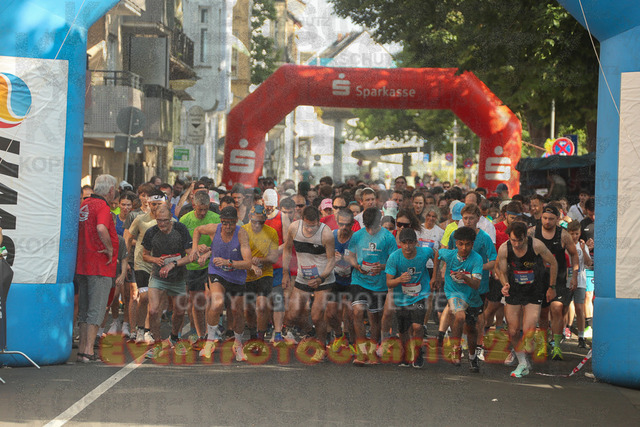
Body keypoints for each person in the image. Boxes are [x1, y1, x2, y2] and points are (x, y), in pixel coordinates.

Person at [192, 206, 255, 361]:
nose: (227, 227)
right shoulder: (214, 229)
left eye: (231, 223)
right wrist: (194, 248)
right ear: (221, 221)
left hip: (236, 275)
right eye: (225, 223)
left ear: (236, 221)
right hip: (217, 272)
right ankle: (209, 342)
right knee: (217, 303)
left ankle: (238, 344)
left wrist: (228, 262)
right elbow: (197, 230)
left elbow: (248, 263)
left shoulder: (241, 234)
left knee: (238, 311)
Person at [497, 221, 558, 377]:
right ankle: (522, 361)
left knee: (529, 330)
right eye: (513, 240)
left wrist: (551, 287)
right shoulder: (504, 248)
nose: (517, 244)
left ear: (526, 236)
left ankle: (522, 357)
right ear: (509, 238)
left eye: (520, 240)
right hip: (514, 290)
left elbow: (553, 263)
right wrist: (504, 284)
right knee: (513, 330)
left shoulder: (536, 245)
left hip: (533, 290)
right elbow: (501, 270)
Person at [282, 206, 336, 362]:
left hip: (323, 278)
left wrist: (321, 278)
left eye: (314, 226)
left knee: (316, 315)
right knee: (292, 315)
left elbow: (331, 260)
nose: (310, 229)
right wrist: (285, 273)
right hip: (303, 277)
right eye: (307, 225)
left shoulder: (326, 233)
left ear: (319, 221)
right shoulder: (294, 228)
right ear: (301, 220)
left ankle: (321, 347)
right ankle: (311, 333)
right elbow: (287, 249)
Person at [75, 174, 119, 362]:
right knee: (97, 309)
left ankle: (82, 351)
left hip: (83, 263)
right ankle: (88, 352)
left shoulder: (84, 204)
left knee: (84, 310)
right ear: (111, 190)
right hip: (99, 265)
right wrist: (109, 248)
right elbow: (101, 228)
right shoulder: (102, 206)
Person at [345, 207, 397, 364]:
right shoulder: (357, 235)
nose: (370, 230)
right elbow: (350, 255)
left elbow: (394, 261)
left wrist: (382, 267)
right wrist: (356, 265)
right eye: (367, 227)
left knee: (375, 318)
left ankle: (372, 351)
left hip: (379, 283)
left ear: (379, 222)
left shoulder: (388, 237)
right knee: (357, 312)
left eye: (373, 227)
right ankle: (361, 352)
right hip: (359, 280)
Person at [142, 205, 194, 359]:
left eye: (165, 220)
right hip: (158, 276)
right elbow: (144, 255)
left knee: (179, 312)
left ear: (171, 217)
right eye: (159, 220)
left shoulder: (181, 229)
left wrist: (173, 264)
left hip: (179, 277)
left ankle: (174, 338)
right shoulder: (151, 232)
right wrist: (155, 260)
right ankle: (157, 343)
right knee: (153, 310)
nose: (162, 224)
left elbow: (190, 256)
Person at [531, 205, 579, 361]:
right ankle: (543, 344)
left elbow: (574, 254)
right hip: (539, 278)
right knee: (543, 313)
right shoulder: (533, 232)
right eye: (545, 218)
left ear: (558, 219)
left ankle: (557, 346)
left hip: (558, 278)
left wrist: (574, 275)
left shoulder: (563, 235)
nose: (547, 221)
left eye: (551, 219)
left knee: (556, 309)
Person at [385, 227, 437, 368]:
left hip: (420, 294)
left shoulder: (424, 252)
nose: (407, 246)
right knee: (403, 329)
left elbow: (436, 254)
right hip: (401, 297)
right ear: (400, 243)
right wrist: (399, 279)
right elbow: (389, 282)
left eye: (410, 242)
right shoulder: (394, 257)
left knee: (417, 326)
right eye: (404, 243)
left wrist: (435, 276)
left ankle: (418, 352)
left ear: (416, 242)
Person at [437, 226, 484, 372]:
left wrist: (464, 277)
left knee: (471, 329)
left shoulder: (477, 259)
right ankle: (456, 348)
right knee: (459, 316)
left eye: (467, 244)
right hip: (454, 293)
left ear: (472, 244)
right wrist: (435, 276)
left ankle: (472, 357)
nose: (464, 248)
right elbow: (438, 253)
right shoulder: (449, 254)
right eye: (461, 244)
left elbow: (476, 284)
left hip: (472, 297)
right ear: (456, 243)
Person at [124, 189, 167, 344]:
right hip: (141, 263)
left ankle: (148, 331)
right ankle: (140, 330)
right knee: (144, 297)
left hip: (159, 264)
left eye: (159, 204)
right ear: (148, 203)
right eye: (153, 204)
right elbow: (128, 238)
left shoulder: (170, 221)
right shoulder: (140, 219)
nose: (156, 207)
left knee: (155, 301)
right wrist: (125, 261)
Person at [179, 191, 221, 350]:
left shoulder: (216, 219)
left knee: (211, 299)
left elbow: (222, 242)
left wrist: (208, 249)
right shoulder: (185, 220)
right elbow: (182, 245)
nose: (203, 213)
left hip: (212, 264)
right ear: (193, 205)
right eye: (200, 209)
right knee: (197, 302)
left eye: (205, 209)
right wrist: (195, 250)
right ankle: (201, 335)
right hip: (193, 266)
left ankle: (211, 334)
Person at [242, 205, 279, 341]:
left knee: (262, 306)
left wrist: (260, 260)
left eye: (261, 222)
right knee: (249, 309)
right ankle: (252, 334)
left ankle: (261, 337)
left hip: (265, 273)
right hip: (246, 275)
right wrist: (251, 264)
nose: (257, 225)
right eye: (254, 222)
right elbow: (238, 255)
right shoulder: (243, 231)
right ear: (249, 218)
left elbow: (274, 258)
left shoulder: (271, 232)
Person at [326, 208, 357, 354]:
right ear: (337, 223)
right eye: (341, 224)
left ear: (352, 224)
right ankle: (339, 336)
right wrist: (330, 256)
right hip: (335, 279)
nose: (344, 227)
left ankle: (352, 341)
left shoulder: (356, 238)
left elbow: (361, 260)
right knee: (330, 314)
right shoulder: (331, 236)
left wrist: (346, 258)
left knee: (351, 315)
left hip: (352, 280)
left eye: (347, 225)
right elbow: (322, 256)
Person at [567, 220, 592, 348]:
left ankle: (581, 337)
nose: (574, 236)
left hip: (581, 280)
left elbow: (588, 263)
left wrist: (584, 250)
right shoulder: (565, 245)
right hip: (567, 280)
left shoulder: (582, 246)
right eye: (572, 234)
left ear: (580, 233)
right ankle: (564, 330)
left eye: (576, 233)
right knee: (564, 307)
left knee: (579, 308)